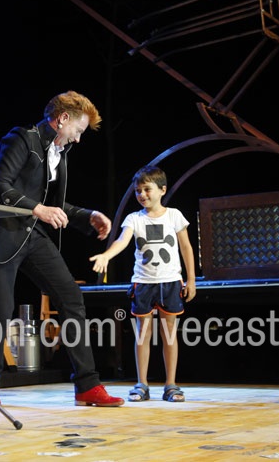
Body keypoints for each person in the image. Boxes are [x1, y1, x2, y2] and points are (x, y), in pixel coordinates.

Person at [0, 90, 124, 407]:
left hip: (31, 235)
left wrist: (87, 216)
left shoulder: (58, 153)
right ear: (63, 119)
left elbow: (54, 204)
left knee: (71, 297)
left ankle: (87, 386)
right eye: (78, 130)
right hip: (0, 235)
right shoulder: (21, 139)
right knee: (1, 310)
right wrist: (37, 209)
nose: (78, 139)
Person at [89, 165, 196, 403]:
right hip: (143, 283)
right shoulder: (134, 219)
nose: (142, 195)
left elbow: (186, 247)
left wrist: (191, 280)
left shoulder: (174, 215)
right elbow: (122, 240)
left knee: (169, 334)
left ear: (162, 190)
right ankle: (142, 384)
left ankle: (171, 385)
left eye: (147, 189)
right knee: (142, 334)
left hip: (170, 281)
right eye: (138, 190)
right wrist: (106, 255)